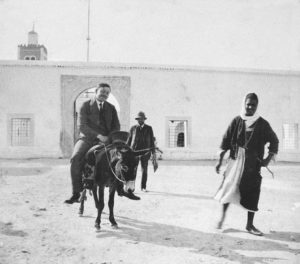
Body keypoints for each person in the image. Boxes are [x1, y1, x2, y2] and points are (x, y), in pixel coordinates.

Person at [214, 93, 279, 236]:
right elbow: (225, 142)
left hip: (252, 165)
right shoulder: (237, 121)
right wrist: (219, 162)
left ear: (257, 106)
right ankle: (222, 218)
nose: (250, 107)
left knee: (253, 192)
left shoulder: (262, 124)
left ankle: (250, 225)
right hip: (235, 162)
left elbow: (274, 141)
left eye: (253, 105)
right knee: (228, 188)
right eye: (248, 104)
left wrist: (267, 159)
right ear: (244, 104)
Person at [65, 83, 120, 204]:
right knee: (75, 158)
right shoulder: (85, 105)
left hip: (106, 140)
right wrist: (98, 136)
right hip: (87, 139)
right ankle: (76, 193)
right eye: (102, 91)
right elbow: (82, 126)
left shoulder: (111, 108)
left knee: (120, 159)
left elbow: (116, 127)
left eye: (107, 93)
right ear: (96, 91)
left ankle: (117, 186)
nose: (104, 94)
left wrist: (108, 137)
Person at [127, 111, 155, 192]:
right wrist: (126, 151)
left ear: (144, 119)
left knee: (144, 170)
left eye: (142, 119)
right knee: (133, 170)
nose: (140, 120)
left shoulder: (149, 128)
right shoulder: (133, 128)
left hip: (145, 153)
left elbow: (152, 141)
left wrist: (153, 153)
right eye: (139, 119)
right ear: (137, 119)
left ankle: (143, 187)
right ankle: (131, 188)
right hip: (134, 152)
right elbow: (129, 140)